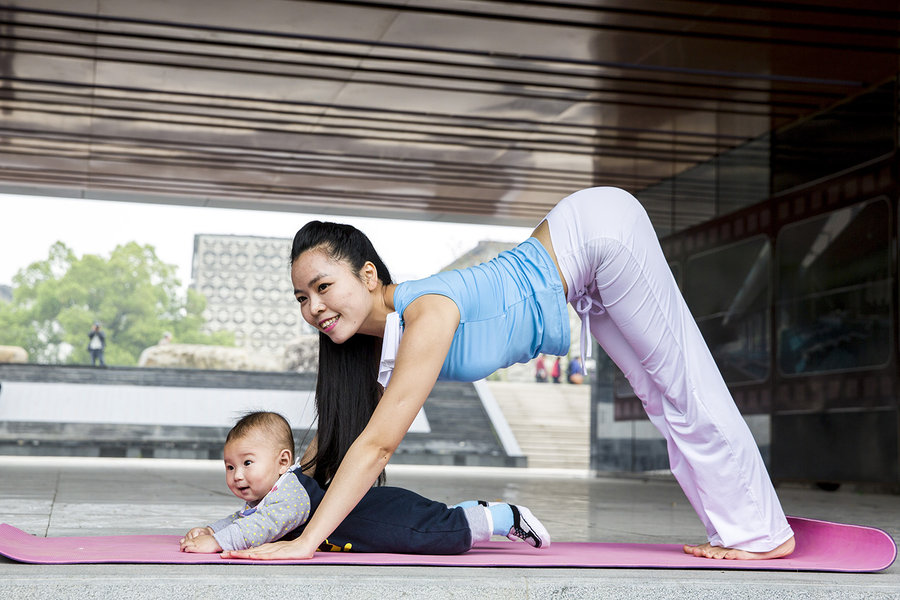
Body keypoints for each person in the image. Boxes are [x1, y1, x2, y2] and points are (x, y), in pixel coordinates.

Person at [226, 186, 794, 562]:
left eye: (324, 286)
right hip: (581, 270)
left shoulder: (428, 312)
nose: (313, 307)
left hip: (598, 235)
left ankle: (761, 534)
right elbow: (346, 442)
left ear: (369, 275)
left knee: (679, 383)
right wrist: (274, 506)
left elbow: (376, 447)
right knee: (656, 392)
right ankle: (739, 526)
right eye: (301, 297)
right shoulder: (377, 347)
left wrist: (302, 544)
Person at [182, 411, 550, 554]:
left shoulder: (289, 494)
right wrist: (210, 529)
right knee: (437, 518)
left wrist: (217, 542)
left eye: (247, 463)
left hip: (381, 518)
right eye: (230, 467)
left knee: (437, 536)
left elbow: (264, 526)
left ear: (282, 463)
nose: (238, 475)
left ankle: (506, 517)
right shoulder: (267, 497)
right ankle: (473, 511)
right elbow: (246, 519)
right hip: (378, 516)